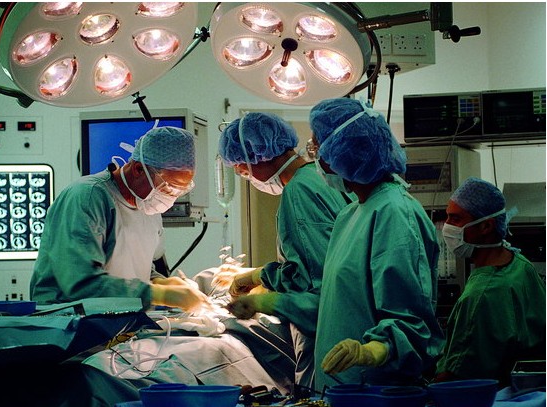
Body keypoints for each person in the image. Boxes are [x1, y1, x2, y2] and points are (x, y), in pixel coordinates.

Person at [309, 97, 445, 389]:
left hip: (377, 393)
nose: (315, 159)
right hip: (341, 389)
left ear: (340, 153)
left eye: (316, 148)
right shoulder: (350, 214)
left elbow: (410, 319)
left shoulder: (394, 213)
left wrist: (373, 350)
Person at [217, 112, 348, 388]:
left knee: (321, 403)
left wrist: (262, 279)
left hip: (325, 329)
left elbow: (311, 278)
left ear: (259, 156)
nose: (244, 175)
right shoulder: (318, 178)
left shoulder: (299, 190)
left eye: (242, 169)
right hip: (341, 322)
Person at [30, 126, 209, 312]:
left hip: (118, 319)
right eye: (168, 188)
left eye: (180, 190)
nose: (171, 197)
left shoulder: (147, 205)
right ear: (138, 169)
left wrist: (161, 282)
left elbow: (135, 271)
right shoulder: (87, 198)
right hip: (67, 321)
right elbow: (81, 284)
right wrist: (159, 295)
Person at [434, 177, 546, 386]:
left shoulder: (481, 296)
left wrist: (429, 387)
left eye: (455, 219)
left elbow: (457, 377)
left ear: (486, 226)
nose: (447, 227)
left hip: (490, 397)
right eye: (447, 217)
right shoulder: (520, 264)